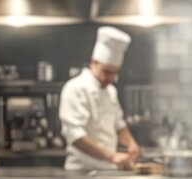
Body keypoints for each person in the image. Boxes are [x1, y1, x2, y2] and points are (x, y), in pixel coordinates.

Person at [59, 27, 140, 170]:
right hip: (81, 171)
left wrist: (131, 143)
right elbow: (75, 135)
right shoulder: (75, 88)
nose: (111, 78)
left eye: (115, 73)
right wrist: (111, 156)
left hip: (109, 170)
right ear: (94, 62)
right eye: (107, 72)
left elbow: (118, 124)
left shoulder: (111, 91)